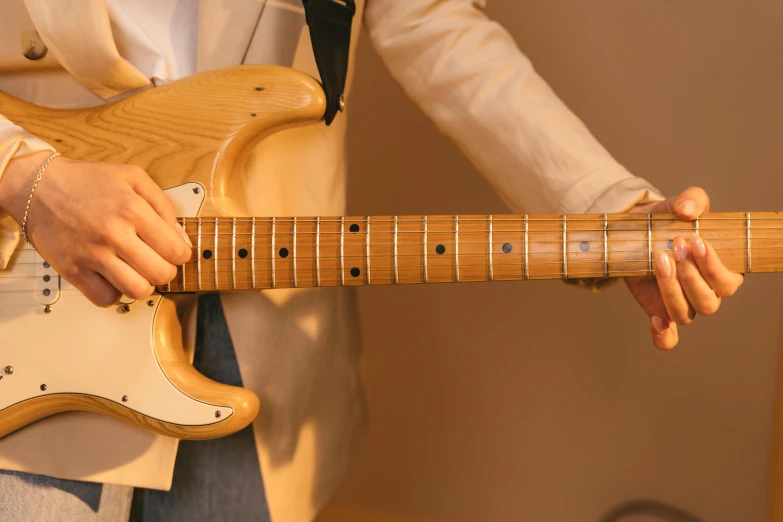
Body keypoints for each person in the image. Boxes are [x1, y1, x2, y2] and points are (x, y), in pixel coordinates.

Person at [0, 1, 744, 521]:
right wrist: (25, 177)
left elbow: (431, 20)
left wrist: (607, 208)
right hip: (26, 277)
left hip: (259, 311)